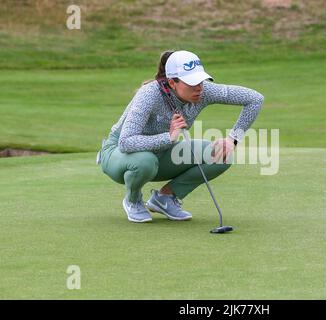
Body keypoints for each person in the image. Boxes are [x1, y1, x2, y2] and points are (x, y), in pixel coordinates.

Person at [98, 50, 264, 223]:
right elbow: (126, 142)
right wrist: (168, 137)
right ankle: (133, 200)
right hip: (118, 154)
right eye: (192, 83)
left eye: (200, 81)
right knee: (145, 161)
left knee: (221, 156)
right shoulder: (149, 94)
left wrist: (232, 139)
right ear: (172, 82)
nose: (199, 88)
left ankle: (165, 198)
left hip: (161, 153)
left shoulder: (203, 92)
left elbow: (254, 99)